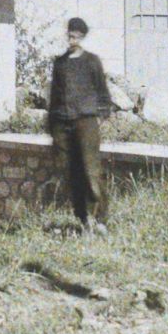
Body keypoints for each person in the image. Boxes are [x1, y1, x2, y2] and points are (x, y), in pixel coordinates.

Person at [46, 17, 114, 231]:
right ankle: (83, 219)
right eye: (69, 35)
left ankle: (100, 218)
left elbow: (103, 93)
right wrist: (52, 125)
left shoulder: (92, 61)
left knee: (90, 170)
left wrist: (101, 117)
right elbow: (54, 95)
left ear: (82, 37)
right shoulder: (60, 63)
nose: (72, 40)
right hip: (62, 124)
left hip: (85, 122)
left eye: (76, 36)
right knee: (70, 173)